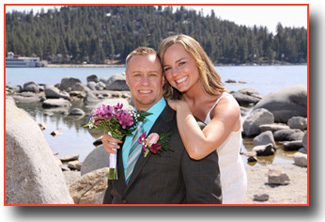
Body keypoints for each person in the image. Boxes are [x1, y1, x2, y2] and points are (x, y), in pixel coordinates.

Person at [102, 47, 222, 204]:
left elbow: (206, 202)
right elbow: (114, 190)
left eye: (152, 74)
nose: (145, 82)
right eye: (137, 75)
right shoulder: (119, 127)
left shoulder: (191, 132)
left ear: (163, 79)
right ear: (127, 79)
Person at [158, 34, 247, 204]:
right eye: (167, 68)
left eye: (182, 63)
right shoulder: (169, 100)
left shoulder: (226, 105)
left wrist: (183, 109)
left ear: (199, 61)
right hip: (184, 189)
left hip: (223, 192)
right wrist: (112, 138)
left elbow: (198, 149)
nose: (175, 73)